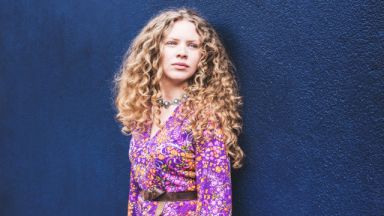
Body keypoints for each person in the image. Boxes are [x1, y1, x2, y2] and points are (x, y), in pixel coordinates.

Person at [114, 8, 244, 216]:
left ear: (203, 56)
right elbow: (136, 189)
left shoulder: (203, 117)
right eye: (172, 43)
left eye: (193, 45)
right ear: (154, 50)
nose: (182, 52)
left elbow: (216, 200)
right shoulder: (144, 113)